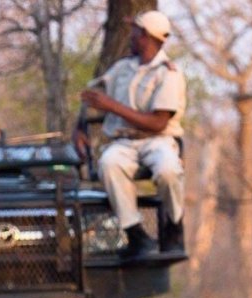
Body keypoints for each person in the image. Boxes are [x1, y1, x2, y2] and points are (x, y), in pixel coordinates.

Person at [73, 10, 186, 257]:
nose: (130, 36)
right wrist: (79, 127)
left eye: (134, 32)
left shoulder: (168, 74)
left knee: (168, 169)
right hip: (124, 142)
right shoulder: (122, 68)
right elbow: (92, 96)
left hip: (158, 141)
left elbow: (158, 123)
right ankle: (136, 234)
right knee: (108, 163)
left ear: (145, 36)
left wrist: (112, 106)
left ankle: (175, 225)